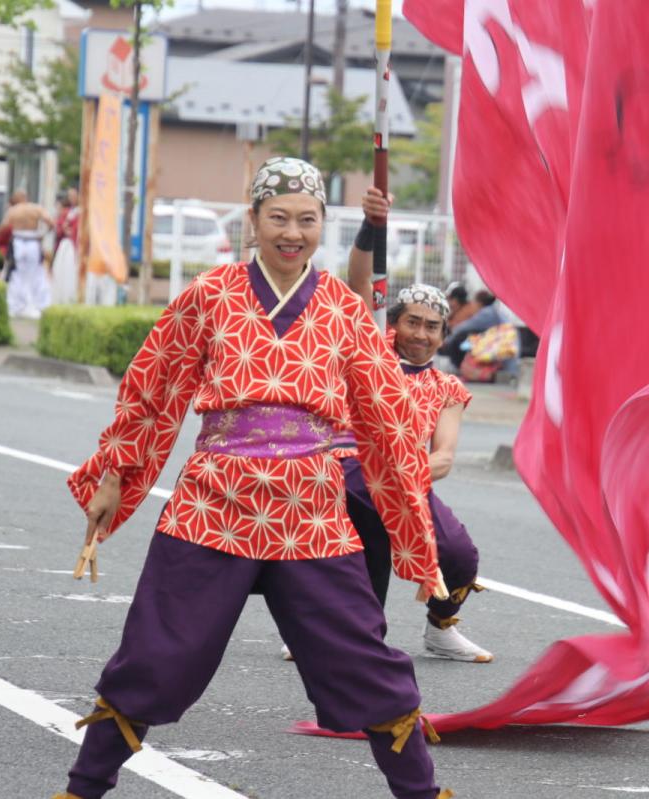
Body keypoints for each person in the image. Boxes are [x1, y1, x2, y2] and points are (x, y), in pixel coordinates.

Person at [53, 157, 452, 799]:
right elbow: (153, 390)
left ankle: (423, 795)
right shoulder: (209, 294)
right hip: (214, 503)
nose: (292, 233)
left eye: (307, 220)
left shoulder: (346, 312)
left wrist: (416, 538)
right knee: (156, 656)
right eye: (279, 218)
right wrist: (115, 477)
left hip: (312, 513)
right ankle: (80, 789)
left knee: (367, 667)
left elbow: (389, 421)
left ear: (323, 223)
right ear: (253, 221)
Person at [328, 187, 492, 664]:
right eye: (412, 322)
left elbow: (443, 456)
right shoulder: (372, 351)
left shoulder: (448, 388)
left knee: (460, 555)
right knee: (358, 543)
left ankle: (440, 628)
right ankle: (329, 629)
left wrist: (401, 474)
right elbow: (360, 279)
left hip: (408, 480)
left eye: (432, 326)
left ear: (444, 335)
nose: (420, 333)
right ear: (393, 323)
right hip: (352, 473)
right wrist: (371, 223)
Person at [0, 190, 55, 319]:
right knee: (35, 273)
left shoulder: (13, 211)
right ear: (25, 198)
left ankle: (16, 305)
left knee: (17, 274)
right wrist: (43, 234)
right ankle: (39, 304)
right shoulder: (35, 209)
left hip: (19, 242)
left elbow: (3, 227)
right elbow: (51, 222)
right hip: (32, 242)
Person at [51, 188, 81, 305]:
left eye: (74, 195)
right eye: (70, 196)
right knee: (62, 272)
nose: (72, 198)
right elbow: (59, 228)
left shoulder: (81, 212)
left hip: (75, 246)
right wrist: (63, 229)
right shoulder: (66, 212)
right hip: (65, 246)